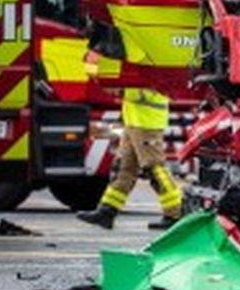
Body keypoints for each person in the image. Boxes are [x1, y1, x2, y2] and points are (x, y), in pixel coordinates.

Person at [77, 85, 183, 230]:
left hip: (147, 123)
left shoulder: (149, 64)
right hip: (134, 121)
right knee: (123, 169)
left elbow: (144, 89)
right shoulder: (141, 64)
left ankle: (176, 214)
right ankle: (107, 212)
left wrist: (122, 90)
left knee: (154, 168)